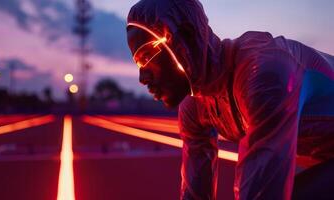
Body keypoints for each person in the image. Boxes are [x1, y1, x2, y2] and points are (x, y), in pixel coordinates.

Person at [126, 0, 334, 199]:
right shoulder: (194, 107)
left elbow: (261, 190)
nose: (142, 78)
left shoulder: (263, 74)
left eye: (146, 57)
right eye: (138, 64)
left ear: (187, 37)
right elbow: (196, 192)